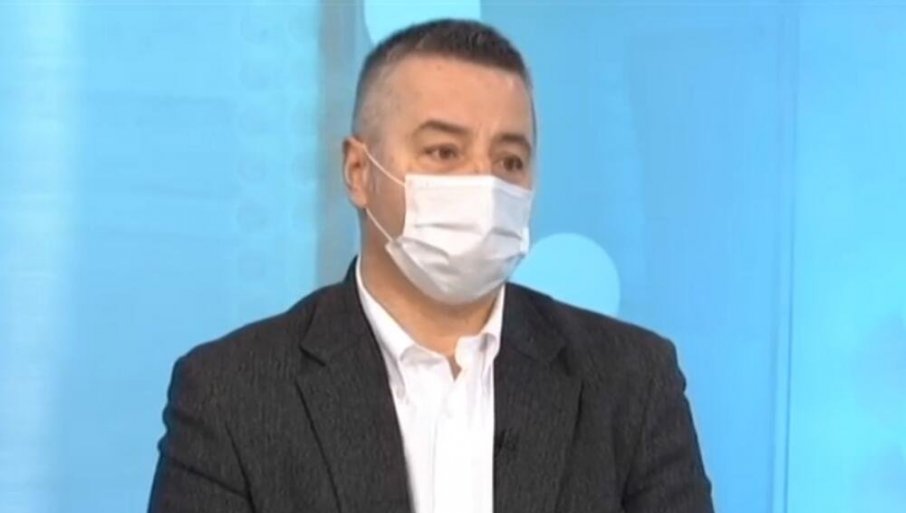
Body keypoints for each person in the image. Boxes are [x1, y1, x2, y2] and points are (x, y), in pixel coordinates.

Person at [148, 18, 714, 513]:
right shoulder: (231, 395)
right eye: (444, 152)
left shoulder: (632, 382)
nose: (483, 183)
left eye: (509, 160)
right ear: (358, 172)